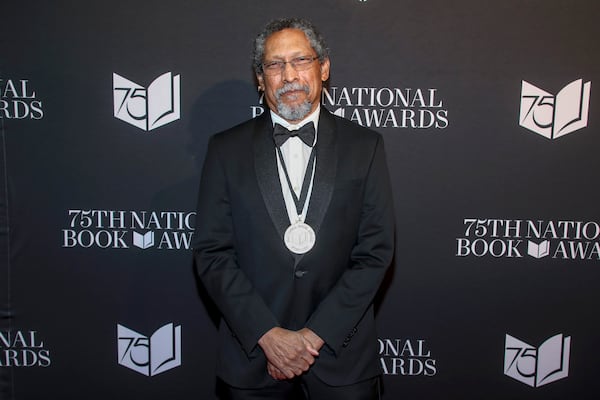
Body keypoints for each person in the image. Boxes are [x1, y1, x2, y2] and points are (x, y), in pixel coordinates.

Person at [193, 17, 395, 400]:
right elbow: (212, 253)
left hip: (342, 355)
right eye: (274, 64)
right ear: (260, 78)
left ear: (323, 68)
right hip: (252, 356)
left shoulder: (365, 147)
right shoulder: (225, 150)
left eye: (301, 60)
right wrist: (268, 336)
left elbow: (375, 253)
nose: (289, 75)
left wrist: (314, 336)